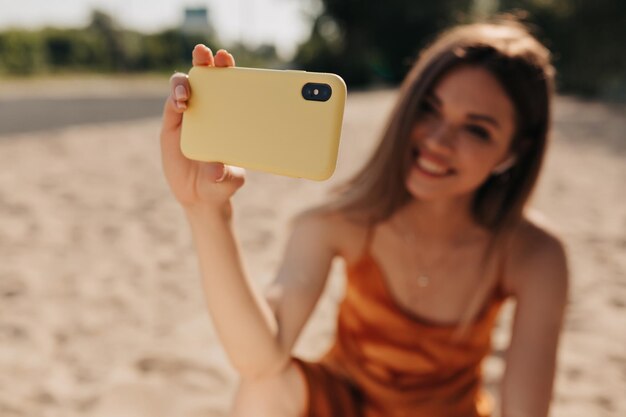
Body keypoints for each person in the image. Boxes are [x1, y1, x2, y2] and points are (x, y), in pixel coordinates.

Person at [160, 17, 568, 417]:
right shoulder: (344, 221)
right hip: (342, 403)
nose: (437, 141)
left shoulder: (533, 254)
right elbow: (260, 362)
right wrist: (205, 210)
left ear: (515, 150)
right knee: (266, 387)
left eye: (476, 130)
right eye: (429, 109)